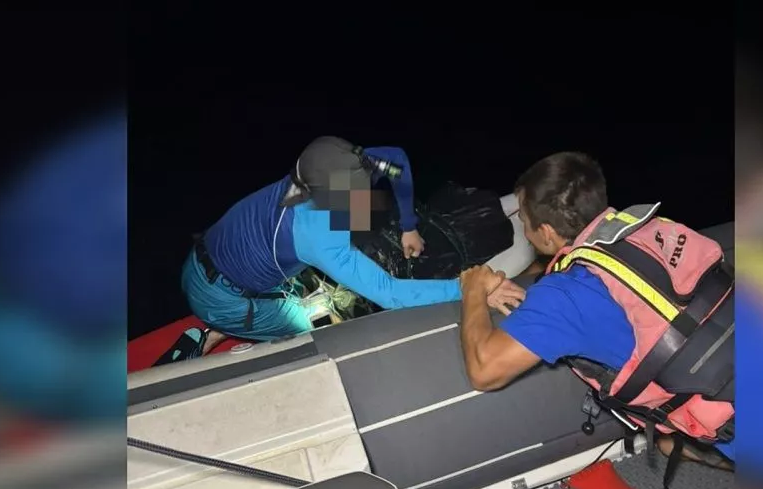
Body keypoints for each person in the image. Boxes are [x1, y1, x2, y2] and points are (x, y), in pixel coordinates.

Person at [456, 151, 735, 467]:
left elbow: (484, 371)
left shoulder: (564, 295)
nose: (524, 229)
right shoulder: (651, 231)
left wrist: (473, 290)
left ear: (545, 232)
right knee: (673, 442)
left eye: (523, 220)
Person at [169, 136, 525, 360]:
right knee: (317, 326)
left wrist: (408, 226)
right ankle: (221, 333)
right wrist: (469, 288)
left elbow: (398, 162)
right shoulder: (316, 236)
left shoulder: (343, 165)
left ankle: (226, 325)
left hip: (207, 256)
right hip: (221, 298)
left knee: (340, 253)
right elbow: (390, 294)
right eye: (350, 196)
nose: (362, 196)